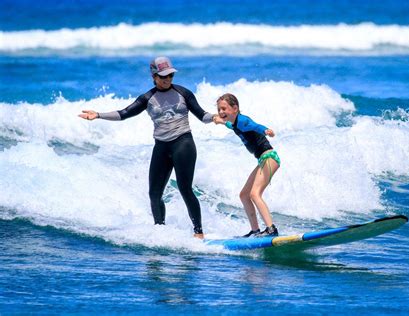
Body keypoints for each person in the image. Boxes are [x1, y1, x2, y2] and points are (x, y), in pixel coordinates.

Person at [79, 56, 215, 239]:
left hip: (183, 143)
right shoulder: (147, 98)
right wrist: (98, 115)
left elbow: (202, 115)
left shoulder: (184, 93)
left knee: (185, 188)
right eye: (163, 76)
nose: (167, 80)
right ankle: (160, 230)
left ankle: (198, 232)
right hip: (161, 147)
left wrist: (214, 118)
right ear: (154, 76)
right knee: (154, 193)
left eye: (170, 76)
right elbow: (124, 113)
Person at [213, 93, 280, 237]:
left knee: (255, 194)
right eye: (219, 109)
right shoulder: (235, 123)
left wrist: (266, 130)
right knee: (244, 195)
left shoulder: (243, 120)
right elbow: (231, 125)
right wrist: (220, 121)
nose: (221, 112)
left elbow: (255, 126)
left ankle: (271, 229)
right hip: (263, 160)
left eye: (224, 109)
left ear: (235, 108)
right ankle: (255, 230)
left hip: (269, 157)